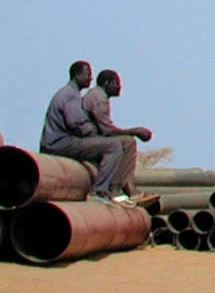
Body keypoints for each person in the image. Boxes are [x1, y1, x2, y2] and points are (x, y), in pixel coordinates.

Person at [41, 62, 151, 204]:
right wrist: (96, 138)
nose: (90, 79)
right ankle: (100, 190)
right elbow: (78, 123)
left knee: (126, 142)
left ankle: (122, 189)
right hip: (60, 143)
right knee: (114, 146)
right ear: (77, 75)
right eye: (88, 75)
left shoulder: (74, 94)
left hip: (62, 141)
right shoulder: (72, 95)